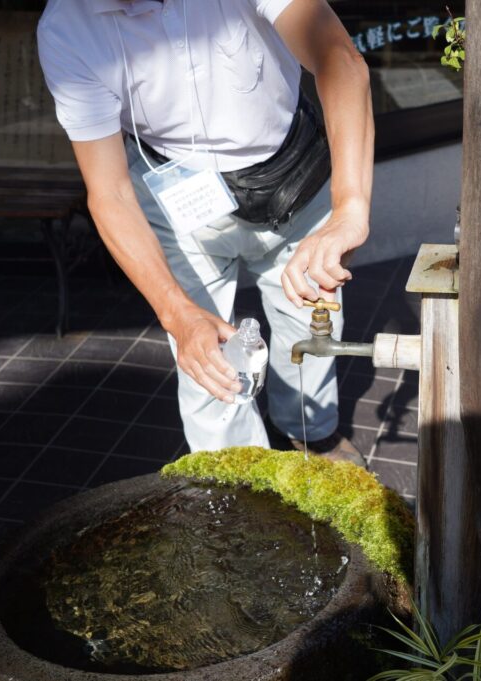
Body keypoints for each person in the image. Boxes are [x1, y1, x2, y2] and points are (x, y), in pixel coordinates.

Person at [37, 0, 373, 463]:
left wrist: (349, 208)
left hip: (293, 180)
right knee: (204, 355)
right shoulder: (66, 27)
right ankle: (240, 477)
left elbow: (338, 59)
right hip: (178, 197)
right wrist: (176, 314)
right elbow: (110, 192)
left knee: (311, 321)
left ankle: (308, 432)